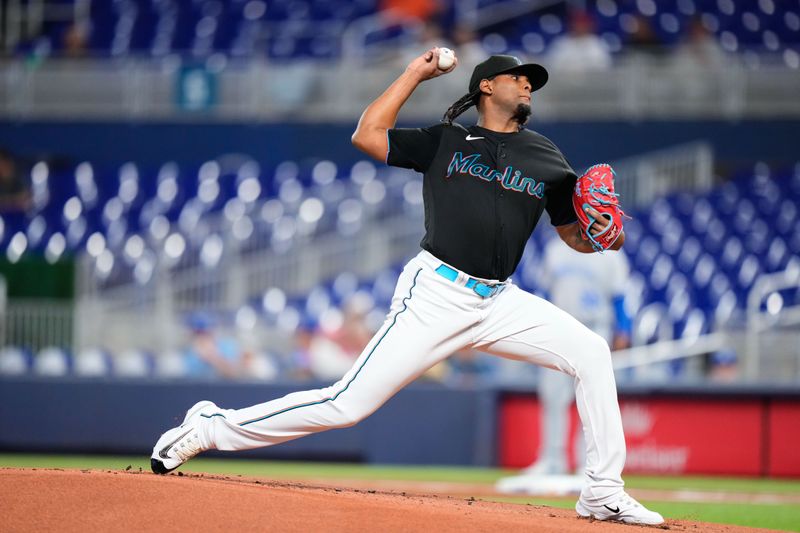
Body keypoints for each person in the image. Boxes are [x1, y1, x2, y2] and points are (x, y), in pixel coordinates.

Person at [150, 49, 663, 526]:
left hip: (499, 300)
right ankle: (211, 426)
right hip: (436, 294)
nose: (528, 85)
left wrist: (600, 237)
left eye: (533, 81)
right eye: (518, 77)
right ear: (486, 86)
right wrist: (417, 73)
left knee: (592, 353)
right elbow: (367, 134)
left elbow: (573, 234)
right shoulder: (446, 140)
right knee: (345, 405)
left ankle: (601, 490)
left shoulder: (545, 154)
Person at [497, 232, 632, 494]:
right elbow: (545, 293)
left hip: (595, 327)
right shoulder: (555, 249)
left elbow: (619, 296)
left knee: (591, 398)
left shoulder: (609, 251)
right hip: (558, 327)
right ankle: (552, 459)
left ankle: (589, 465)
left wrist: (623, 329)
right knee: (552, 395)